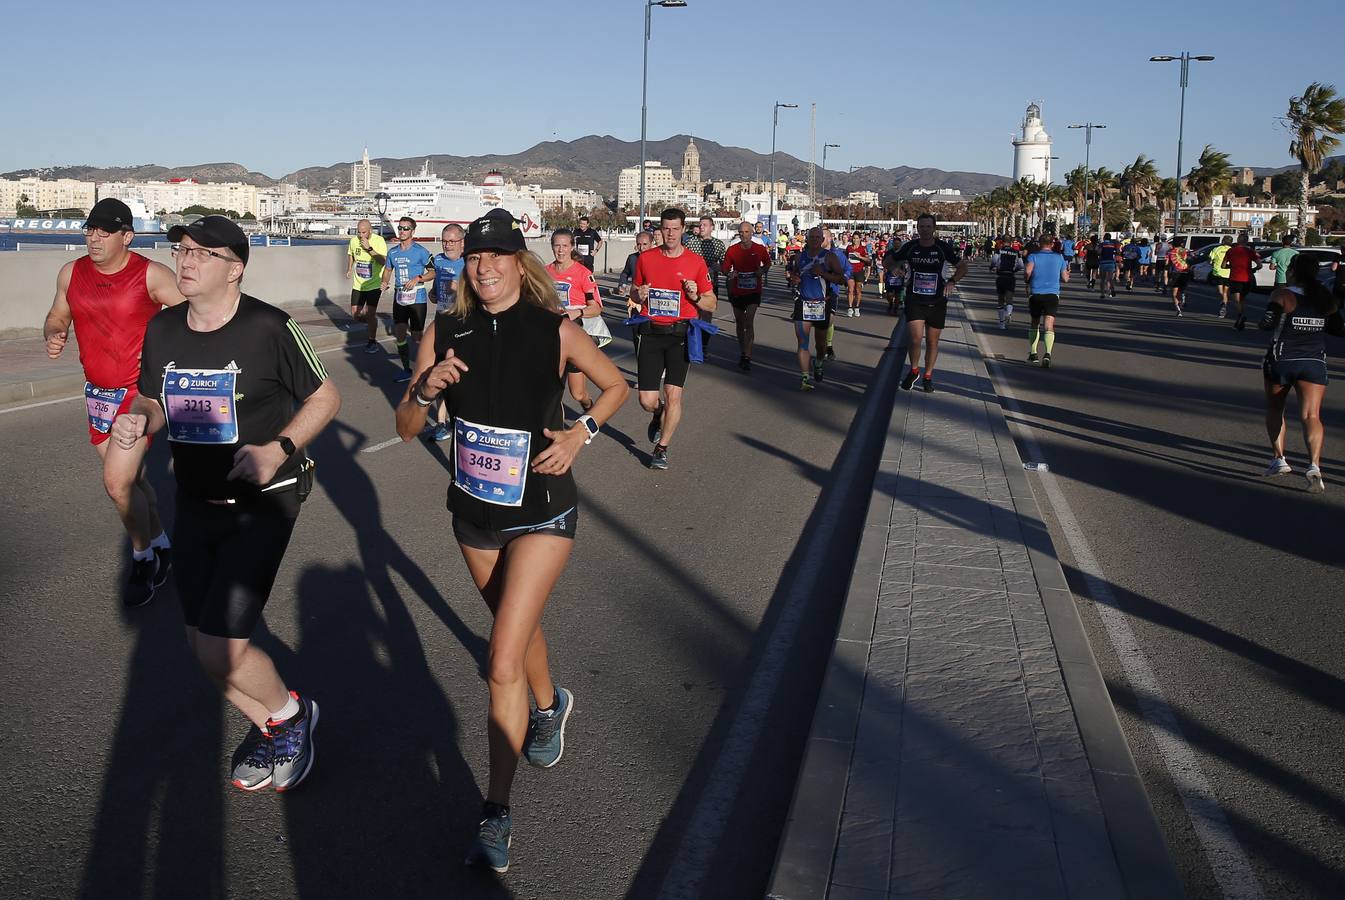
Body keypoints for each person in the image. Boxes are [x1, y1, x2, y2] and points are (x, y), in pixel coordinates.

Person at [395, 209, 628, 872]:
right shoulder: (445, 330)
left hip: (543, 511)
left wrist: (581, 434)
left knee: (500, 661)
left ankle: (494, 810)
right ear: (464, 266)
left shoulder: (555, 329)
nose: (484, 267)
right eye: (474, 257)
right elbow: (407, 425)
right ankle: (550, 705)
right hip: (473, 512)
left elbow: (613, 387)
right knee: (513, 628)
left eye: (497, 256)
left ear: (519, 264)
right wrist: (424, 386)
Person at [111, 216, 340, 793]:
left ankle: (290, 717)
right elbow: (152, 396)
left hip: (263, 500)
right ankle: (273, 726)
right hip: (196, 499)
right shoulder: (163, 328)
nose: (185, 261)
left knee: (221, 645)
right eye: (182, 250)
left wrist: (278, 449)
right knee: (199, 643)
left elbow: (326, 395)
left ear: (235, 268)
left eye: (202, 253)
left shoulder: (271, 327)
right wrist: (139, 418)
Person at [43, 197, 185, 607]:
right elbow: (57, 314)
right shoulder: (71, 272)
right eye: (90, 229)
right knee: (136, 482)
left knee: (116, 483)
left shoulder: (151, 275)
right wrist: (54, 332)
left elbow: (191, 318)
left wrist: (161, 352)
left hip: (137, 394)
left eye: (105, 231)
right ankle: (161, 544)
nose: (94, 237)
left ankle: (143, 559)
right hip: (97, 395)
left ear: (128, 236)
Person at [627, 208, 715, 470]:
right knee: (647, 400)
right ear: (660, 230)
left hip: (680, 334)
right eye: (666, 228)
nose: (671, 233)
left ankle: (662, 448)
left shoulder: (696, 262)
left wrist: (696, 296)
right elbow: (634, 292)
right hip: (651, 332)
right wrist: (639, 294)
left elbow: (712, 303)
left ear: (684, 230)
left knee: (674, 395)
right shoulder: (646, 259)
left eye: (676, 228)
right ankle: (657, 413)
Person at [1258, 253, 1342, 492]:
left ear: (1293, 270)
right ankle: (1314, 466)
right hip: (1313, 361)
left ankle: (1279, 459)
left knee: (1275, 408)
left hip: (1282, 359)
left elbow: (1268, 322)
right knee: (1311, 416)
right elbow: (1338, 329)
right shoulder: (1325, 297)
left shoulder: (1282, 294)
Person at [887, 213, 968, 393]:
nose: (924, 230)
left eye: (928, 227)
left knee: (932, 342)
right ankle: (914, 370)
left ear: (934, 228)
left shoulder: (942, 248)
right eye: (921, 226)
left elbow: (963, 266)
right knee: (915, 339)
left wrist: (952, 281)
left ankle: (928, 376)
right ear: (917, 228)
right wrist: (893, 268)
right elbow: (889, 260)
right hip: (914, 299)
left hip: (937, 300)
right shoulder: (910, 247)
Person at [546, 228, 606, 411]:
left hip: (575, 336)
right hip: (551, 336)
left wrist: (577, 312)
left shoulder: (583, 273)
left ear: (572, 247)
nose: (561, 250)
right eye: (557, 246)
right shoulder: (544, 272)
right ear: (552, 247)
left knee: (578, 393)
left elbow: (596, 307)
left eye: (565, 246)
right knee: (550, 391)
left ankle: (589, 408)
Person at [787, 227, 847, 390]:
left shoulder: (830, 257)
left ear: (822, 240)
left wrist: (823, 274)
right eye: (811, 237)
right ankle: (805, 378)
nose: (814, 240)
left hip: (822, 304)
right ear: (807, 239)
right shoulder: (799, 257)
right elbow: (792, 275)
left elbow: (841, 279)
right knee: (802, 343)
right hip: (803, 303)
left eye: (817, 237)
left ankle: (818, 363)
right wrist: (795, 279)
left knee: (820, 345)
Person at [382, 216, 435, 381]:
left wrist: (418, 278)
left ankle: (424, 369)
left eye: (406, 228)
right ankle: (406, 369)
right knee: (399, 334)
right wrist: (384, 282)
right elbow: (388, 270)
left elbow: (433, 272)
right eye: (400, 228)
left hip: (417, 298)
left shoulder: (420, 251)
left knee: (417, 336)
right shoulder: (393, 252)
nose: (402, 231)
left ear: (413, 231)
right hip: (400, 297)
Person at [428, 224, 467, 441]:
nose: (447, 245)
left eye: (452, 241)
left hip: (462, 325)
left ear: (462, 242)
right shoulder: (440, 260)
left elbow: (479, 296)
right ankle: (442, 423)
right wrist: (434, 293)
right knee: (439, 371)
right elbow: (435, 287)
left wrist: (460, 290)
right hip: (442, 321)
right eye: (444, 240)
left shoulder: (470, 263)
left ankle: (459, 417)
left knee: (457, 376)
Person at [721, 220, 772, 371]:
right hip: (737, 290)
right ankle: (743, 350)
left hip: (753, 290)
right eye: (741, 232)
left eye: (747, 232)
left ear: (752, 233)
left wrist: (761, 271)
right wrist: (730, 273)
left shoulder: (759, 248)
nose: (744, 235)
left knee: (749, 321)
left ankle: (747, 356)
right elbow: (725, 268)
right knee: (740, 323)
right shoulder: (732, 249)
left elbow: (768, 263)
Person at [1024, 235, 1070, 368]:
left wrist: (1027, 280)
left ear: (1040, 243)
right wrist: (1067, 274)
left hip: (1036, 293)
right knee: (1049, 324)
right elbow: (1065, 278)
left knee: (1034, 322)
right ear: (1052, 244)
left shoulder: (1033, 256)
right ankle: (1048, 353)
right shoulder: (1059, 257)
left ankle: (1033, 353)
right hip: (1052, 294)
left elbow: (1027, 272)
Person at [683, 216, 726, 353]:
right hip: (692, 285)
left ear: (712, 227)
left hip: (710, 285)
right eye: (700, 225)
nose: (701, 227)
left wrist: (716, 267)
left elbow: (725, 266)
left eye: (705, 225)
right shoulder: (690, 243)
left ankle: (704, 345)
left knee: (706, 315)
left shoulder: (718, 244)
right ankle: (692, 344)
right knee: (693, 315)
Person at [346, 218, 388, 353]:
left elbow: (383, 261)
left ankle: (372, 340)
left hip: (374, 284)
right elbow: (351, 254)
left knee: (370, 313)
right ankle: (372, 322)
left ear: (370, 230)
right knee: (355, 314)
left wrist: (369, 248)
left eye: (364, 232)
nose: (361, 235)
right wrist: (349, 268)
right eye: (359, 232)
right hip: (358, 284)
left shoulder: (378, 240)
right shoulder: (353, 241)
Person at [1221, 231, 1261, 330]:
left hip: (1235, 278)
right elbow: (1259, 265)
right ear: (1247, 242)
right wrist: (1253, 270)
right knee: (1242, 299)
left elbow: (1223, 265)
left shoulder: (1230, 251)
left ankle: (1240, 316)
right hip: (1247, 278)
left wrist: (1231, 266)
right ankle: (1240, 319)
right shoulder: (1250, 251)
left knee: (1237, 300)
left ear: (1238, 240)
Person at [992, 242, 1024, 329]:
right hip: (1010, 276)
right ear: (1010, 243)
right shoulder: (1015, 252)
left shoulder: (999, 251)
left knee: (1001, 299)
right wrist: (1015, 270)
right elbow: (1021, 265)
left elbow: (994, 260)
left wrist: (992, 267)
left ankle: (1002, 323)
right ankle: (1008, 313)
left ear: (1003, 242)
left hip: (1001, 275)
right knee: (1009, 298)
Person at [616, 230, 654, 297]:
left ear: (651, 244)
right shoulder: (632, 258)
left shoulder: (659, 258)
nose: (641, 248)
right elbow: (625, 273)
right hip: (637, 296)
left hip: (654, 295)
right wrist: (622, 285)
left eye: (645, 244)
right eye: (638, 244)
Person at [844, 234, 869, 316]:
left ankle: (857, 307)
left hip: (859, 271)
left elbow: (868, 260)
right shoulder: (849, 247)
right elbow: (845, 258)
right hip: (850, 271)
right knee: (850, 290)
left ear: (859, 239)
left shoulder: (863, 248)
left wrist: (860, 256)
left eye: (857, 238)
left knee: (858, 290)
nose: (855, 240)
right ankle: (850, 308)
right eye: (854, 238)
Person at [1209, 235, 1233, 317]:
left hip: (1218, 272)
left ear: (1223, 241)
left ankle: (1223, 305)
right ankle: (1224, 305)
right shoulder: (1232, 250)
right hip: (1229, 273)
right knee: (1225, 292)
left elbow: (1210, 260)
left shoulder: (1217, 249)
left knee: (1220, 292)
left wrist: (1212, 262)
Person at [1168, 241, 1191, 315]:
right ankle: (1183, 297)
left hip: (1175, 272)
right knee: (1182, 289)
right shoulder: (1186, 250)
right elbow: (1192, 259)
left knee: (1174, 293)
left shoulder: (1171, 252)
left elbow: (1167, 263)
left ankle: (1178, 310)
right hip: (1185, 271)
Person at [1096, 233, 1120, 298]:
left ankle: (1102, 294)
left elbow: (1099, 252)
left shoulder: (1102, 244)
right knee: (1110, 279)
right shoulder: (1113, 244)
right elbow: (1118, 252)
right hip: (1111, 263)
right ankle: (1112, 290)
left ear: (1104, 237)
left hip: (1103, 262)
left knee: (1102, 279)